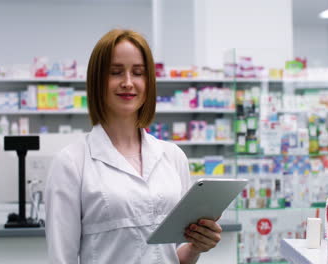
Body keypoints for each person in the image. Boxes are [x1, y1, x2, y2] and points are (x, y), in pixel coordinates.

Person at [45, 29, 222, 264]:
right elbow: (61, 259)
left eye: (138, 73)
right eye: (116, 72)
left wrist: (196, 247)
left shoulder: (172, 157)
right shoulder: (71, 162)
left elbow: (173, 255)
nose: (128, 83)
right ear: (97, 80)